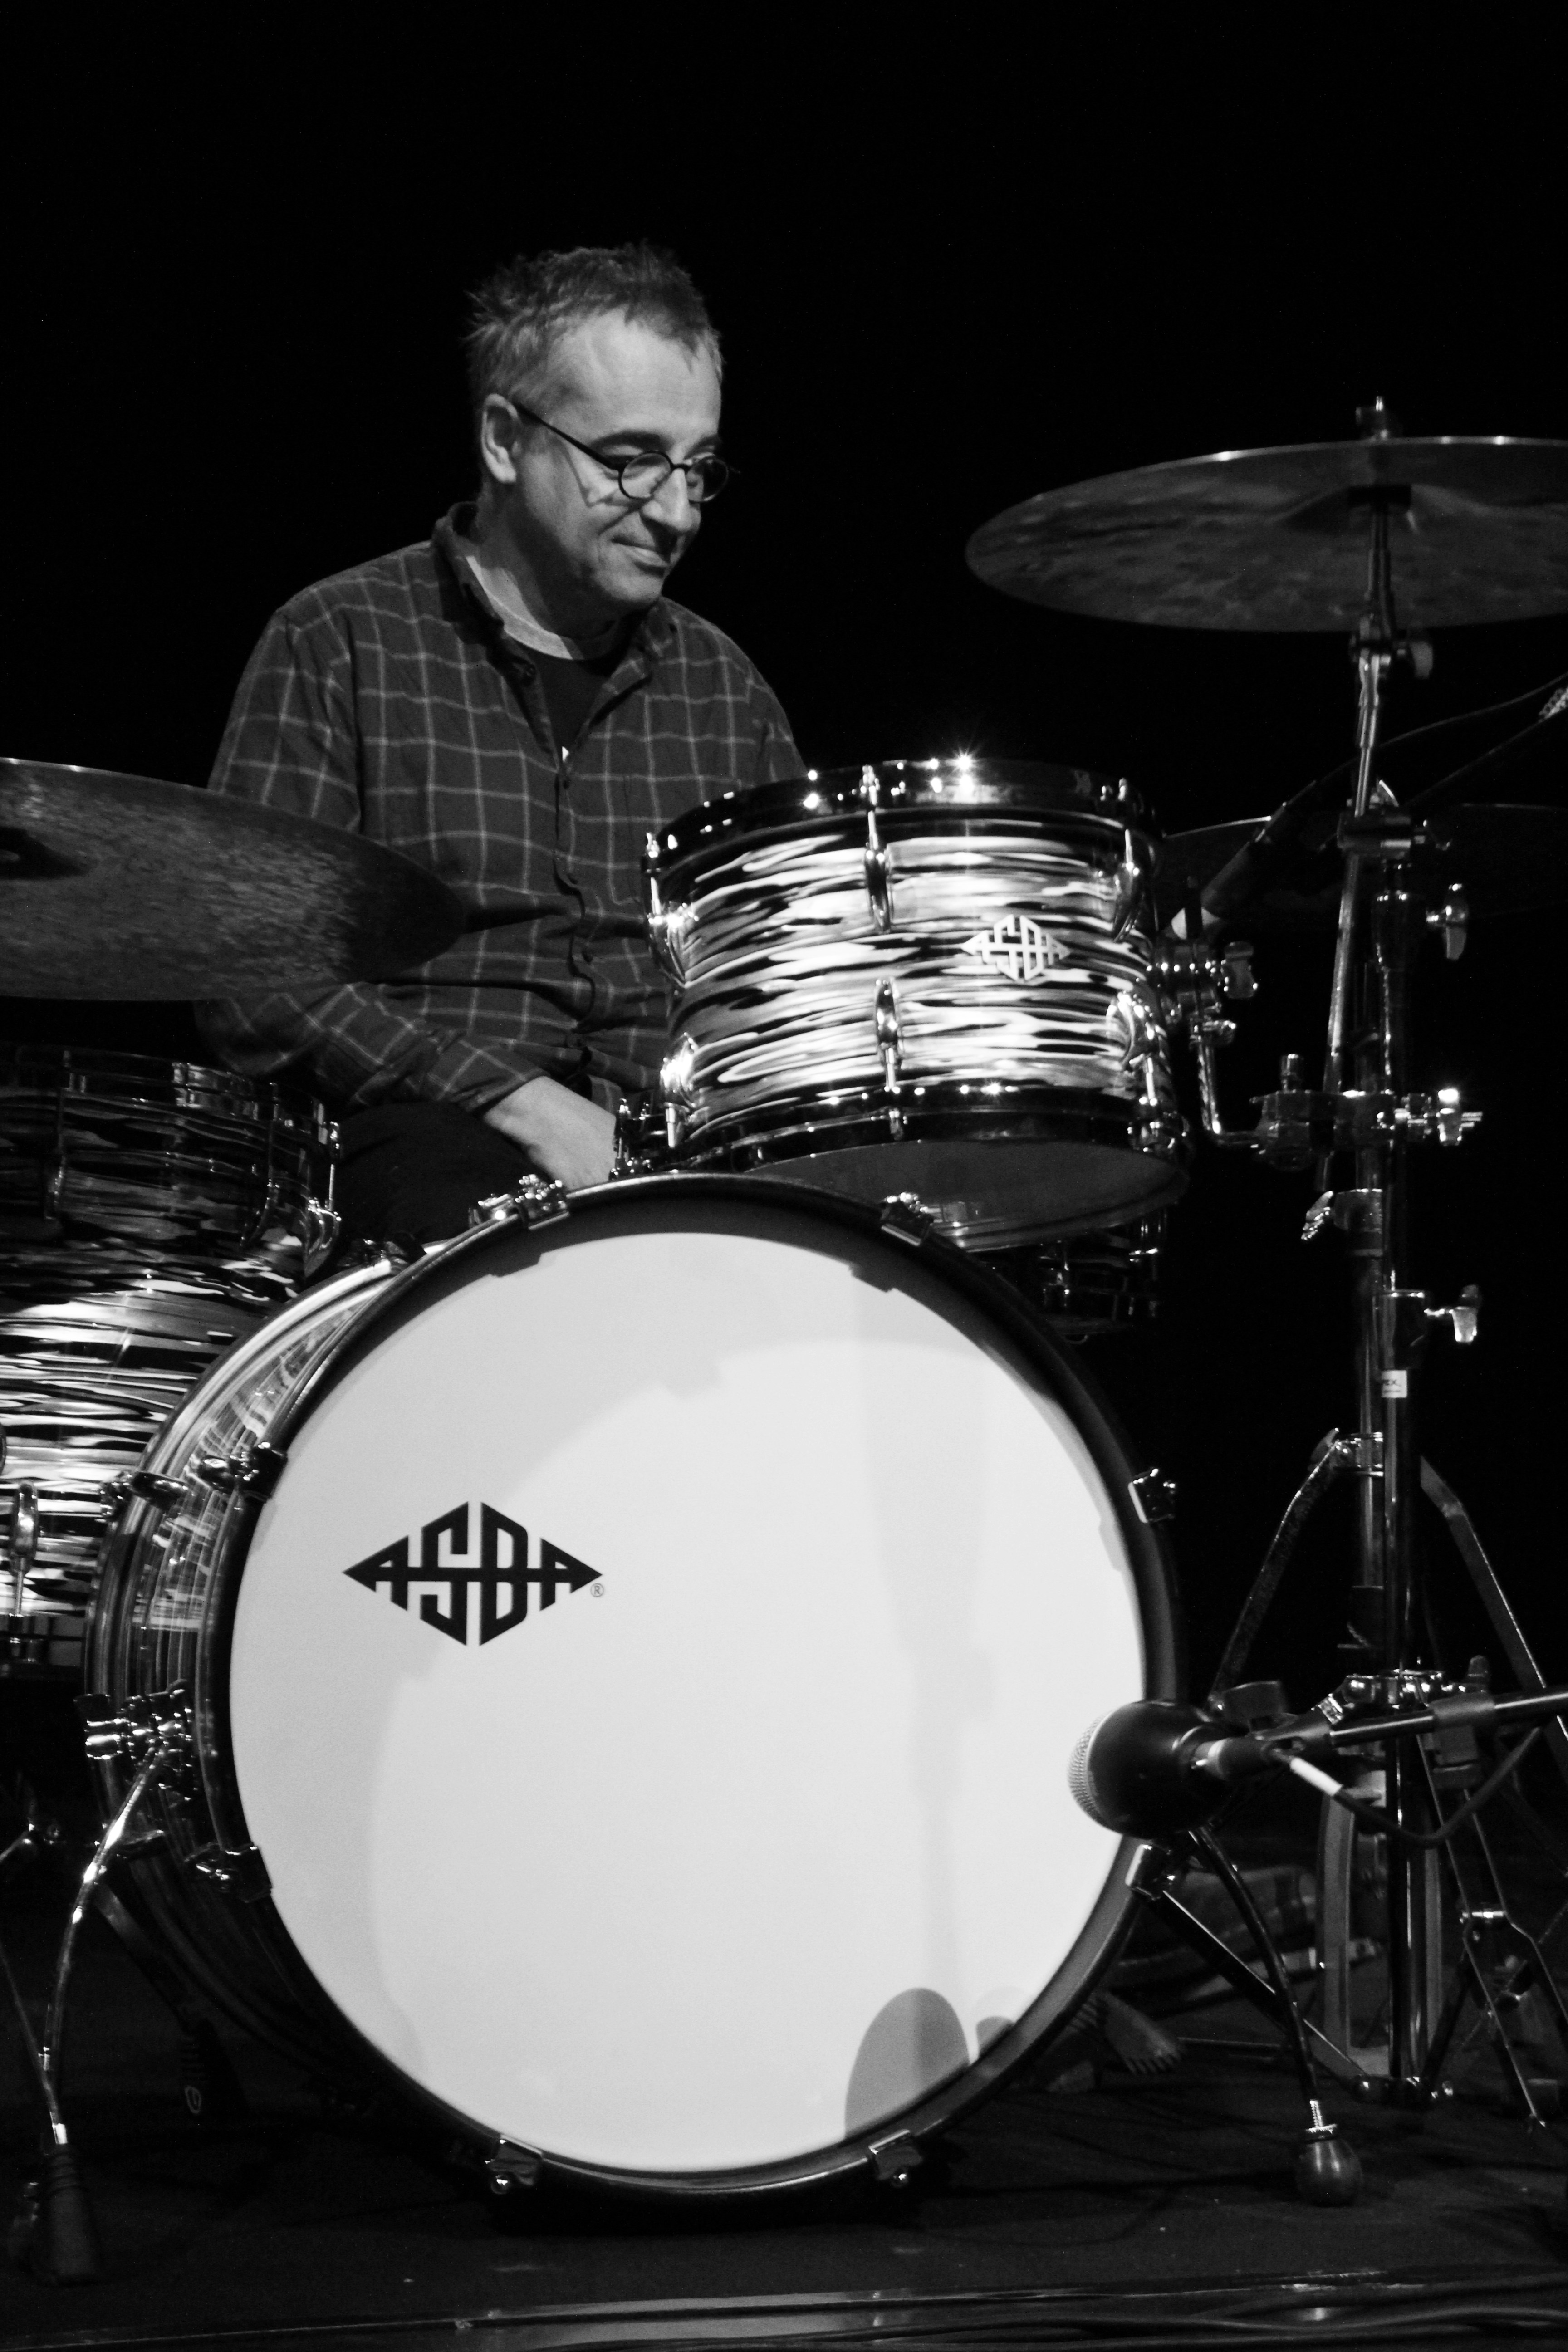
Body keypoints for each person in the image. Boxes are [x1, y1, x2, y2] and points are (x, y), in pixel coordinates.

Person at [198, 243, 800, 1246]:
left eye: (698, 468)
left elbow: (778, 984)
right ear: (505, 440)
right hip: (420, 1149)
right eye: (630, 462)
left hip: (681, 1162)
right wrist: (512, 1098)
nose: (677, 511)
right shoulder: (340, 640)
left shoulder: (725, 691)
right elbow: (251, 979)